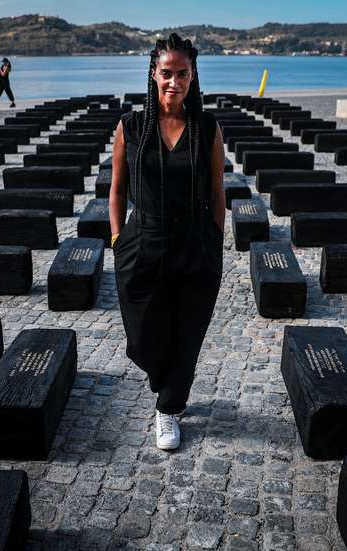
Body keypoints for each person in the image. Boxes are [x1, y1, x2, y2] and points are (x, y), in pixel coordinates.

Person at [109, 33, 225, 451]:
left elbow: (217, 192)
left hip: (195, 245)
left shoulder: (207, 128)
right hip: (143, 242)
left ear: (193, 78)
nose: (173, 82)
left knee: (187, 333)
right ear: (152, 75)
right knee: (143, 334)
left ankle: (168, 408)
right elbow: (117, 189)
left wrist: (214, 244)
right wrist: (118, 237)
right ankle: (166, 384)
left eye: (182, 74)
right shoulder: (132, 126)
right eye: (166, 73)